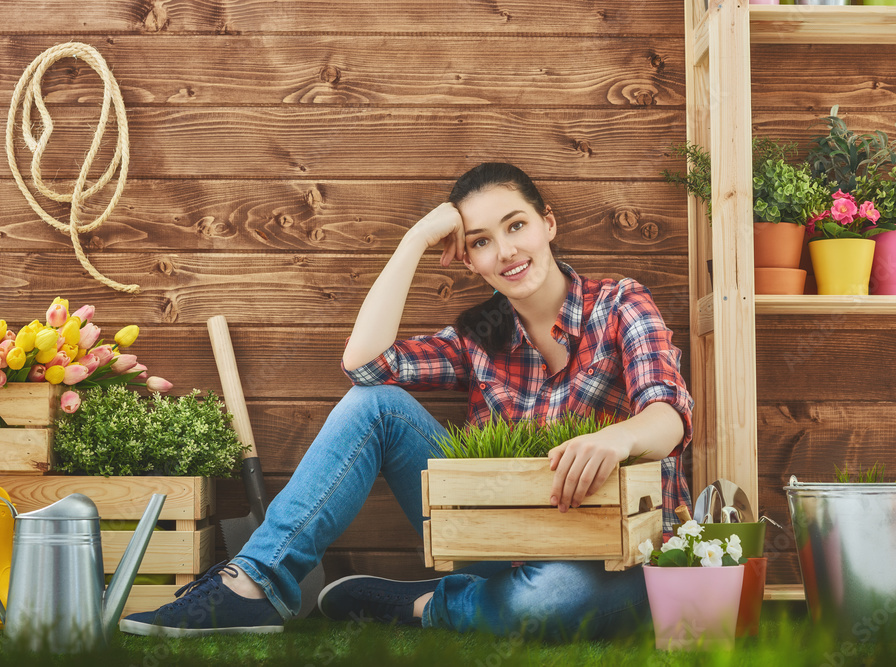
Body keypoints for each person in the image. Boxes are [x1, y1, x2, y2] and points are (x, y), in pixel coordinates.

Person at [120, 162, 693, 641]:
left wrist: (617, 438)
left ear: (547, 224)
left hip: (612, 554)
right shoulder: (480, 335)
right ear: (468, 261)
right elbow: (364, 366)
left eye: (516, 226)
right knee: (375, 405)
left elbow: (669, 416)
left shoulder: (620, 304)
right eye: (482, 242)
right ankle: (253, 586)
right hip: (500, 539)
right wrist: (415, 239)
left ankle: (429, 605)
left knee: (552, 599)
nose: (506, 252)